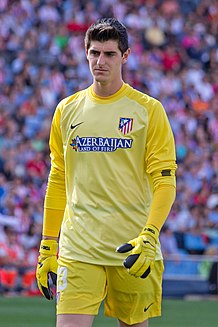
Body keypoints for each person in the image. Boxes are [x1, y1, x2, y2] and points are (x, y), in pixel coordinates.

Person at [36, 18, 177, 327]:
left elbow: (165, 182)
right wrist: (49, 243)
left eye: (110, 54)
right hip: (78, 247)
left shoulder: (148, 110)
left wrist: (150, 235)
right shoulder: (66, 110)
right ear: (86, 53)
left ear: (125, 56)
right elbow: (58, 179)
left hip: (132, 248)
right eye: (94, 53)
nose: (100, 62)